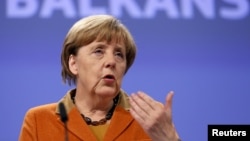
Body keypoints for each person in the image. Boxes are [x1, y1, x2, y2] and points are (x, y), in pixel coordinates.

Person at [19, 14, 181, 141]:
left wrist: (170, 140)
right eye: (99, 51)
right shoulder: (39, 121)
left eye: (119, 54)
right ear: (73, 63)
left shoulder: (149, 120)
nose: (111, 61)